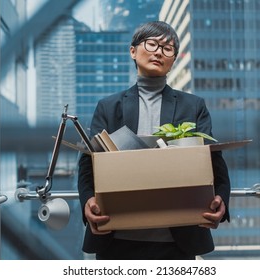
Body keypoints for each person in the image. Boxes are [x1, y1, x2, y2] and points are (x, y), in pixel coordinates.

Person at [77, 21, 231, 260]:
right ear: (133, 51)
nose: (159, 51)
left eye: (168, 48)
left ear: (174, 59)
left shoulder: (193, 106)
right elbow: (88, 164)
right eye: (152, 44)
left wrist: (221, 199)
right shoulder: (108, 107)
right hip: (117, 237)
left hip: (178, 240)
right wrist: (88, 202)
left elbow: (213, 160)